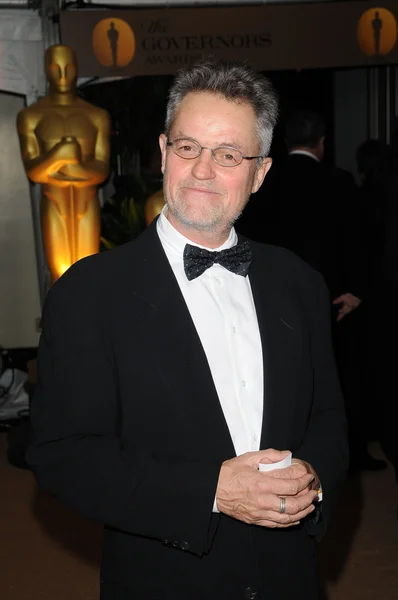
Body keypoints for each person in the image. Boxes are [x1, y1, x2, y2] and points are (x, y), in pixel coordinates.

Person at [27, 59, 348, 600]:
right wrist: (213, 492)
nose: (202, 170)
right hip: (165, 579)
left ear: (260, 173)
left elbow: (328, 417)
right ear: (162, 153)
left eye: (227, 155)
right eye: (187, 147)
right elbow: (63, 454)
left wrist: (312, 483)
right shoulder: (88, 292)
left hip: (288, 576)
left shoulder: (299, 282)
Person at [17, 44, 111, 284]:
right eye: (55, 68)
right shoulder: (31, 116)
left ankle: (90, 321)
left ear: (77, 69)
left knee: (90, 271)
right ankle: (61, 320)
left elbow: (101, 170)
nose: (62, 75)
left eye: (68, 68)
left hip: (86, 199)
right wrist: (59, 154)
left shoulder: (96, 115)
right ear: (46, 70)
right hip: (53, 199)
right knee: (59, 273)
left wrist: (75, 169)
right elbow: (34, 172)